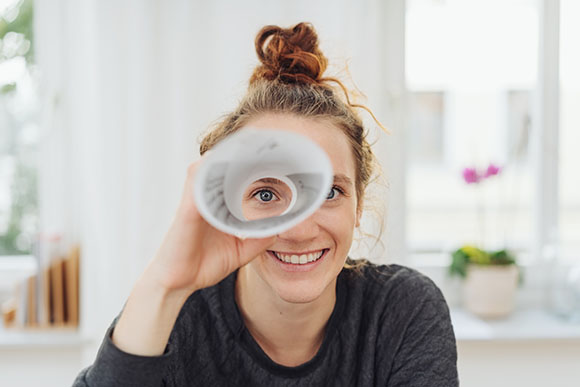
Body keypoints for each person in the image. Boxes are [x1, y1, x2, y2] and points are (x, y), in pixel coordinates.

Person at [73, 22, 458, 387]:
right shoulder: (174, 317)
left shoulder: (403, 310)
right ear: (227, 204)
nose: (299, 229)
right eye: (266, 194)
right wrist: (165, 283)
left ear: (358, 206)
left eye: (328, 193)